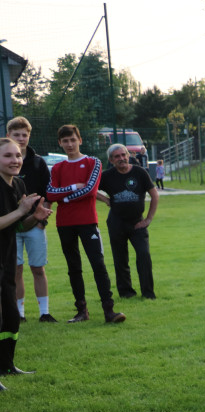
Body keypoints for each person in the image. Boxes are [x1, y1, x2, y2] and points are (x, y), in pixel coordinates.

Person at [45, 124, 125, 324]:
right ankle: (81, 311)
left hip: (87, 222)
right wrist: (73, 187)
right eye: (65, 141)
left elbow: (90, 190)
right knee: (73, 267)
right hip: (64, 223)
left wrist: (64, 198)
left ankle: (109, 310)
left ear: (79, 140)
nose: (70, 144)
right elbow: (50, 193)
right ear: (60, 143)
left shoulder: (93, 162)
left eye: (73, 140)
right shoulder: (57, 168)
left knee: (98, 264)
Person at [0, 137, 52, 385]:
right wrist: (22, 211)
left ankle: (6, 366)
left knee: (11, 316)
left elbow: (19, 225)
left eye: (18, 155)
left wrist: (35, 217)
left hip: (7, 258)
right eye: (8, 156)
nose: (15, 160)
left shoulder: (19, 184)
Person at [5, 117, 56, 323]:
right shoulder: (4, 162)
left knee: (38, 268)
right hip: (10, 225)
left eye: (24, 135)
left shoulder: (38, 162)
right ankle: (20, 313)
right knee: (15, 270)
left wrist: (42, 219)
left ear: (29, 136)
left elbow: (47, 193)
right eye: (16, 135)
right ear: (8, 136)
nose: (21, 138)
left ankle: (44, 312)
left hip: (35, 223)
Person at [97, 144, 159, 299]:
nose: (121, 158)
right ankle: (126, 293)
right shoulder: (107, 176)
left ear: (128, 155)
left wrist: (148, 219)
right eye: (117, 156)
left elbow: (154, 195)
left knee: (144, 255)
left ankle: (148, 293)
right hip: (116, 222)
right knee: (120, 258)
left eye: (123, 155)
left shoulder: (140, 172)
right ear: (111, 160)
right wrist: (105, 199)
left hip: (137, 223)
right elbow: (90, 189)